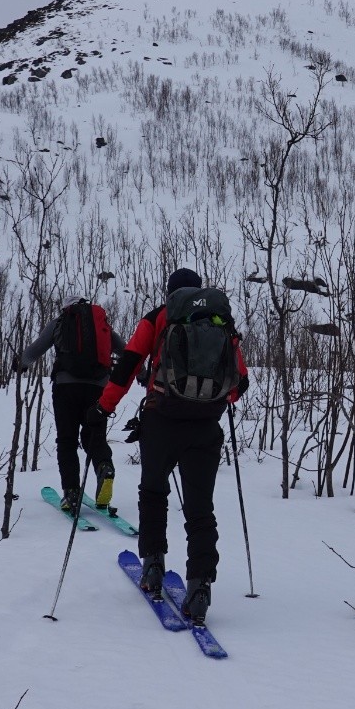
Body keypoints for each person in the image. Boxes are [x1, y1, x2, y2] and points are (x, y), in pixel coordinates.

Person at [91, 267, 249, 624]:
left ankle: (153, 565)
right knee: (199, 509)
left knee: (153, 493)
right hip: (206, 428)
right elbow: (240, 384)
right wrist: (213, 399)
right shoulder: (220, 322)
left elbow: (128, 364)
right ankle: (199, 586)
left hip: (161, 421)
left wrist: (104, 406)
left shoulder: (157, 318)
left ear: (170, 293)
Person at [17, 296, 126, 511]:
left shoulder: (60, 322)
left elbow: (36, 349)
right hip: (98, 388)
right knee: (94, 437)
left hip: (66, 387)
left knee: (67, 440)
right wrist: (141, 374)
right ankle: (105, 467)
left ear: (66, 308)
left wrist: (21, 363)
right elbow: (126, 351)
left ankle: (72, 493)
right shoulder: (101, 326)